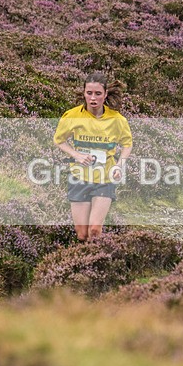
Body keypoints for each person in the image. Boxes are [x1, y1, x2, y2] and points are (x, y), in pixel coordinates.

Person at [54, 72, 132, 241]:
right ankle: (83, 255)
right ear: (84, 93)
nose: (93, 98)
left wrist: (119, 165)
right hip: (79, 177)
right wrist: (77, 155)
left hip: (105, 178)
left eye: (98, 93)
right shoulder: (72, 116)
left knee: (95, 230)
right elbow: (59, 140)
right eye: (89, 93)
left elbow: (127, 144)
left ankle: (97, 256)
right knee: (82, 234)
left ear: (105, 94)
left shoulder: (117, 120)